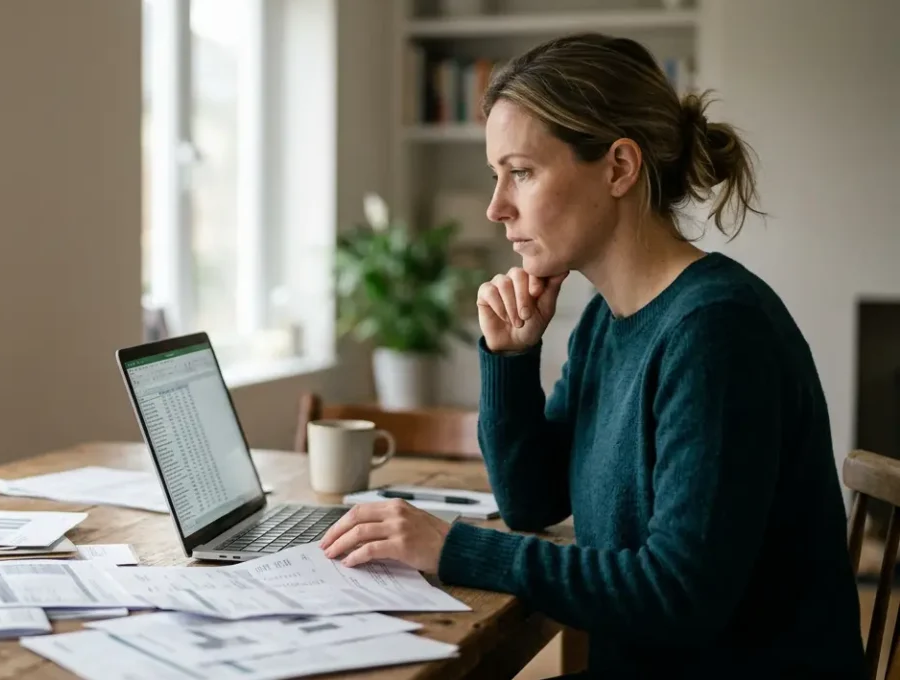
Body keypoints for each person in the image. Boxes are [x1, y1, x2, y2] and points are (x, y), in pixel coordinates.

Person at [320, 33, 864, 678]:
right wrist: (511, 359)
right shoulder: (611, 318)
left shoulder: (717, 332)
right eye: (496, 175)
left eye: (520, 171)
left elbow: (678, 595)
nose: (497, 208)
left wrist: (451, 547)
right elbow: (533, 502)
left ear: (618, 168)